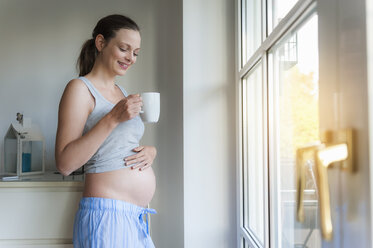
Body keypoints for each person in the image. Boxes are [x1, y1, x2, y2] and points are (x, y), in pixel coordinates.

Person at [55, 14, 157, 248]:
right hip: (107, 217)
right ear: (101, 43)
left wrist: (150, 152)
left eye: (136, 53)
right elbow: (65, 163)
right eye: (124, 48)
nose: (131, 58)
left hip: (136, 217)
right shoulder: (79, 89)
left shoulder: (121, 91)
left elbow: (117, 145)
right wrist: (112, 118)